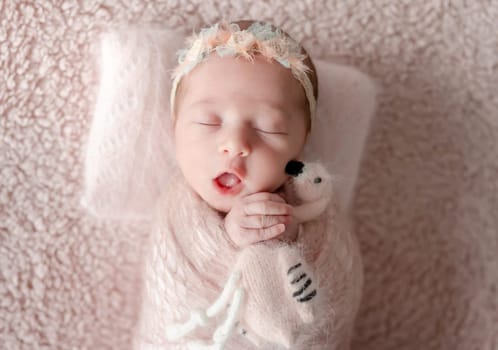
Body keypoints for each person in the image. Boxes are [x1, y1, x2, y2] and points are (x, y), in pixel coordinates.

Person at [134, 20, 363, 350]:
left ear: (300, 146)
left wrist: (292, 248)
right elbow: (171, 293)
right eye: (209, 122)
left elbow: (341, 284)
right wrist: (228, 241)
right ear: (176, 129)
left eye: (268, 128)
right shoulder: (178, 211)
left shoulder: (316, 212)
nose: (234, 143)